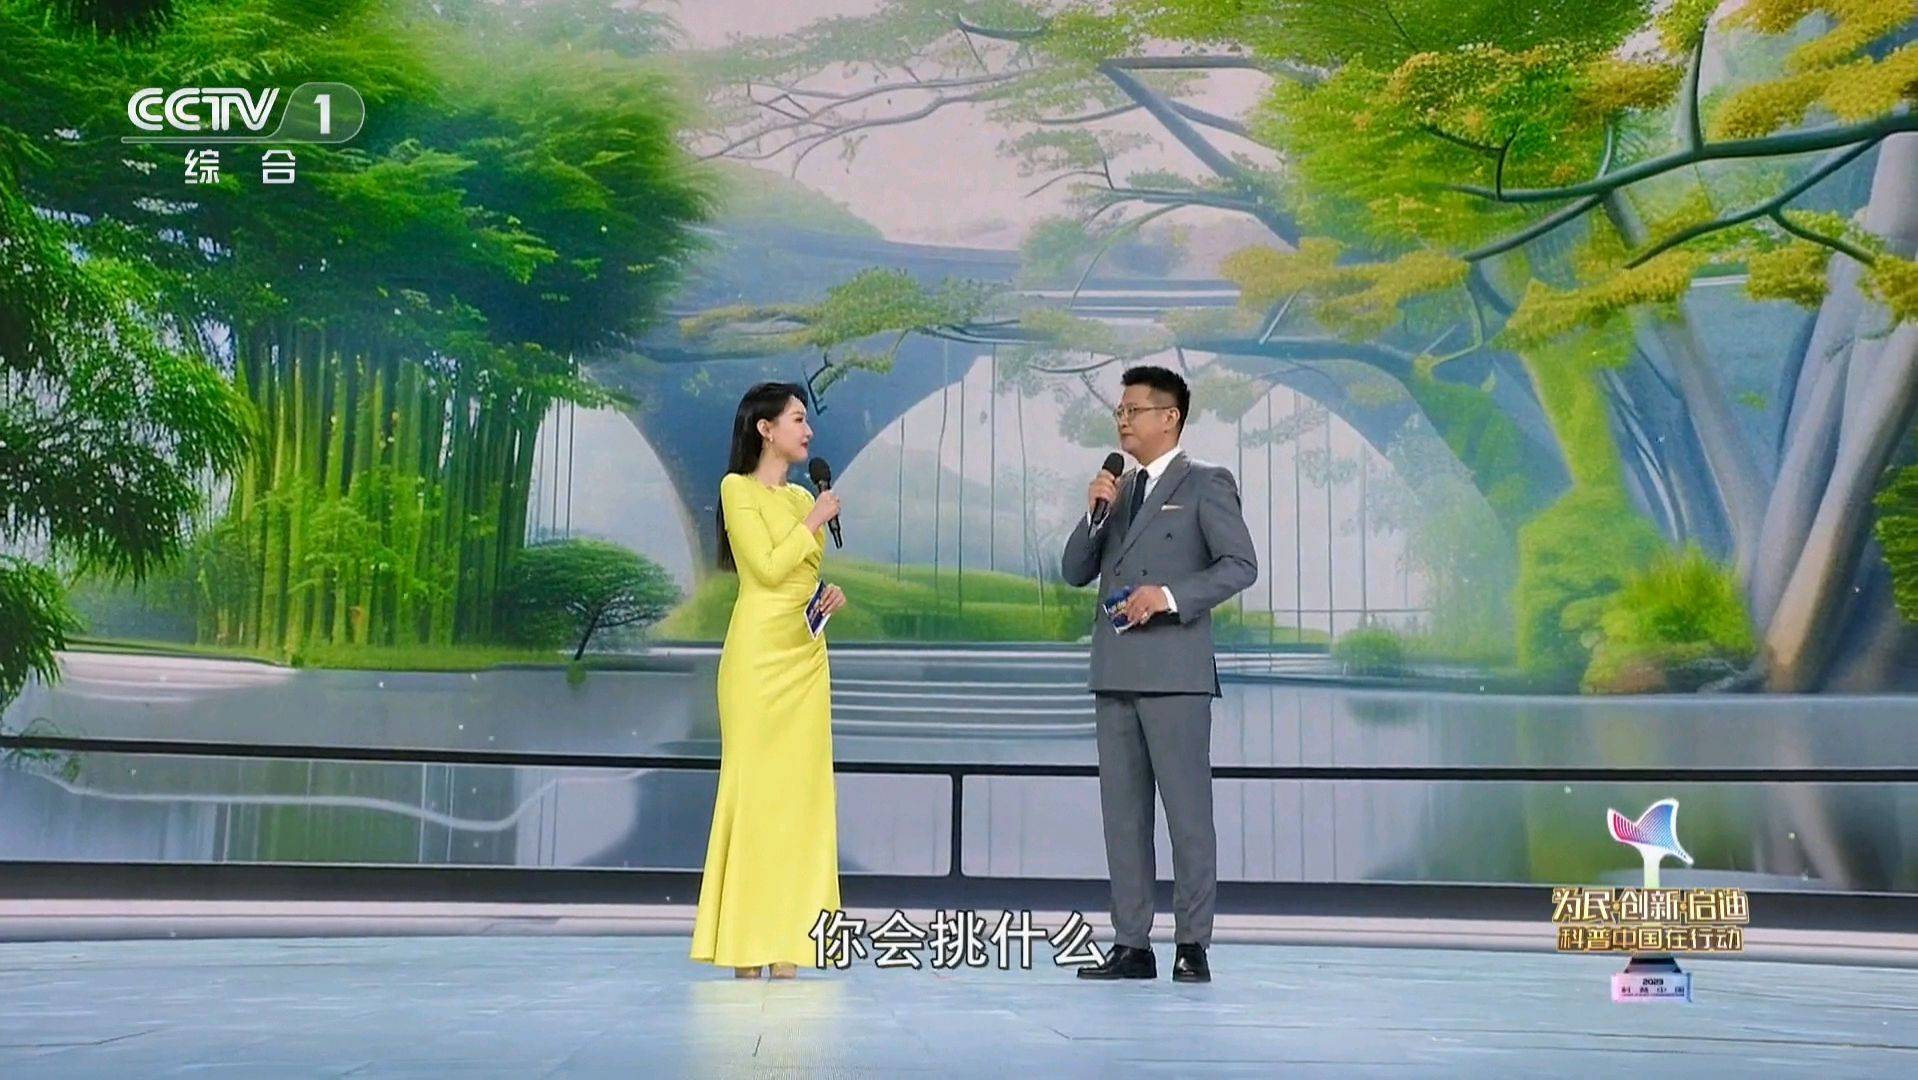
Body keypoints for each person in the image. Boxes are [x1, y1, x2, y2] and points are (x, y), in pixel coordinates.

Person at [1060, 364, 1258, 984]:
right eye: (1119, 411)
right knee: (1123, 819)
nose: (1122, 420)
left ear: (1169, 417)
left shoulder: (1205, 483)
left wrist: (1168, 596)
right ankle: (1131, 944)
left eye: (1134, 410)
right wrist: (1095, 514)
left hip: (1175, 674)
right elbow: (1073, 571)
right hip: (1115, 671)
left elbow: (1240, 564)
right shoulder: (1116, 491)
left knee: (1187, 816)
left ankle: (1192, 943)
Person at [690, 382, 847, 979]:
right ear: (765, 428)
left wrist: (824, 597)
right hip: (758, 662)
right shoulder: (738, 490)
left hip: (804, 655)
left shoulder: (802, 496)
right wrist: (814, 520)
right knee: (756, 797)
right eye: (797, 419)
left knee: (801, 801)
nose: (808, 431)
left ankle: (791, 947)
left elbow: (799, 574)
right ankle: (745, 947)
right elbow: (765, 567)